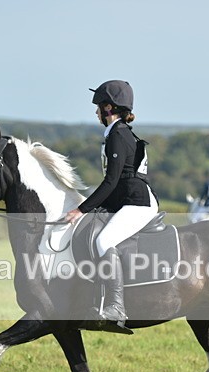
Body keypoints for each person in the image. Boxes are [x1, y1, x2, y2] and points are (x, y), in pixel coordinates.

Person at [63, 80, 158, 332]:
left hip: (137, 203)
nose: (96, 112)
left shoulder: (118, 134)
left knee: (103, 242)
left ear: (109, 108)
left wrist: (80, 209)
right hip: (125, 200)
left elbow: (111, 181)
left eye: (98, 107)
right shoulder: (119, 132)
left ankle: (116, 306)